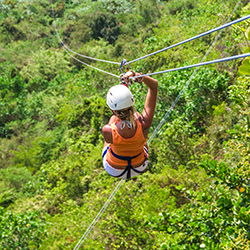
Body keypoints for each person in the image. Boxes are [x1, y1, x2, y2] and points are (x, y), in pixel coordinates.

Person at [102, 71, 158, 179]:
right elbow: (154, 86)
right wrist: (138, 75)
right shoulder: (143, 122)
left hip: (114, 168)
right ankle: (139, 141)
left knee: (109, 137)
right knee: (140, 132)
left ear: (112, 109)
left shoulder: (107, 130)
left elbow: (116, 120)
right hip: (139, 166)